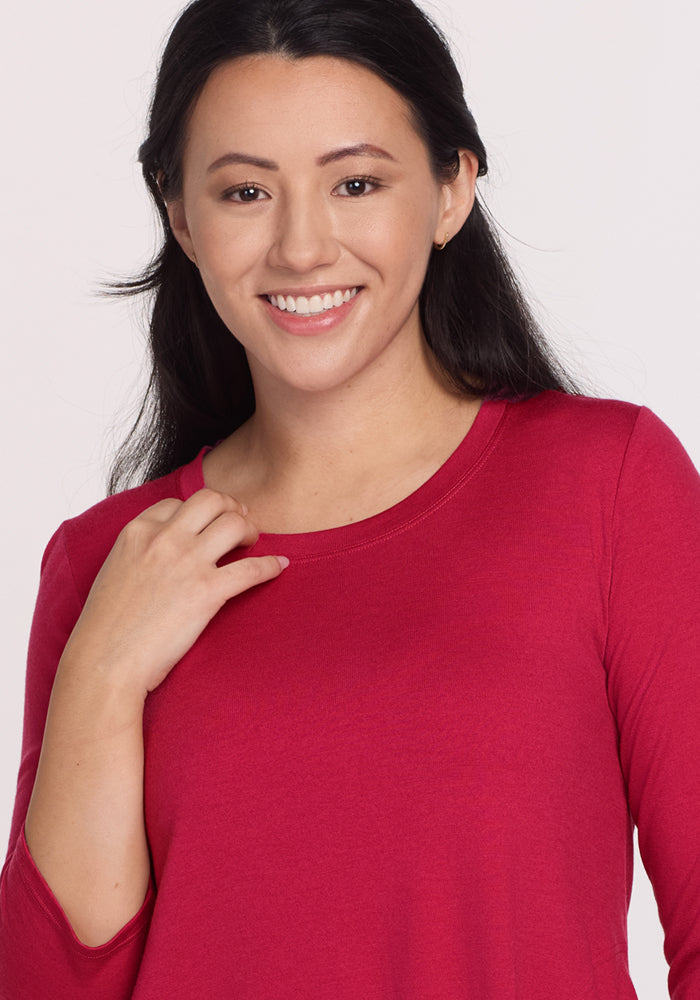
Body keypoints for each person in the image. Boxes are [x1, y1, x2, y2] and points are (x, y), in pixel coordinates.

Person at [1, 0, 698, 996]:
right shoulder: (109, 561)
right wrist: (102, 677)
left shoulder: (606, 485)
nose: (300, 247)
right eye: (244, 192)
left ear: (452, 187)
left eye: (357, 182)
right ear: (178, 215)